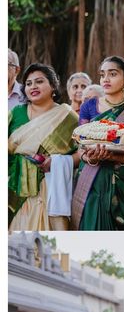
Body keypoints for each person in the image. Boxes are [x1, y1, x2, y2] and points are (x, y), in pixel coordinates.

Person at [71, 55, 124, 230]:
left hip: (123, 187)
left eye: (112, 74)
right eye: (102, 74)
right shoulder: (89, 106)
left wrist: (114, 157)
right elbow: (82, 147)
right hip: (91, 182)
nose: (105, 79)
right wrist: (90, 157)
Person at [8, 63, 79, 231]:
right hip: (17, 186)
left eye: (39, 81)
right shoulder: (15, 113)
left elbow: (82, 154)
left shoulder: (68, 117)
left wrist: (57, 162)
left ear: (53, 85)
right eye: (29, 83)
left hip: (51, 187)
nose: (33, 86)